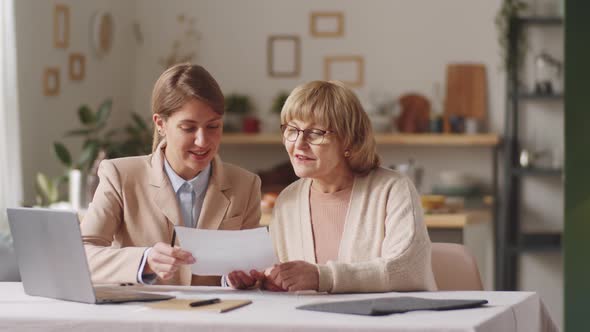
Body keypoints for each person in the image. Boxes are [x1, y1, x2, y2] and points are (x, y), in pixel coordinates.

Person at [242, 80, 437, 293]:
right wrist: (263, 281)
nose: (298, 144)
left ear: (349, 140)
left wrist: (321, 277)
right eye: (292, 130)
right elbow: (284, 280)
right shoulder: (287, 200)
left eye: (315, 133)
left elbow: (408, 271)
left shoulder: (393, 189)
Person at [81, 64, 261, 286]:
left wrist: (239, 279)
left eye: (213, 126)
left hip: (216, 316)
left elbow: (252, 269)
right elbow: (81, 254)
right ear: (160, 124)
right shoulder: (120, 176)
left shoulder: (246, 184)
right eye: (188, 128)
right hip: (141, 316)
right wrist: (144, 260)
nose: (203, 141)